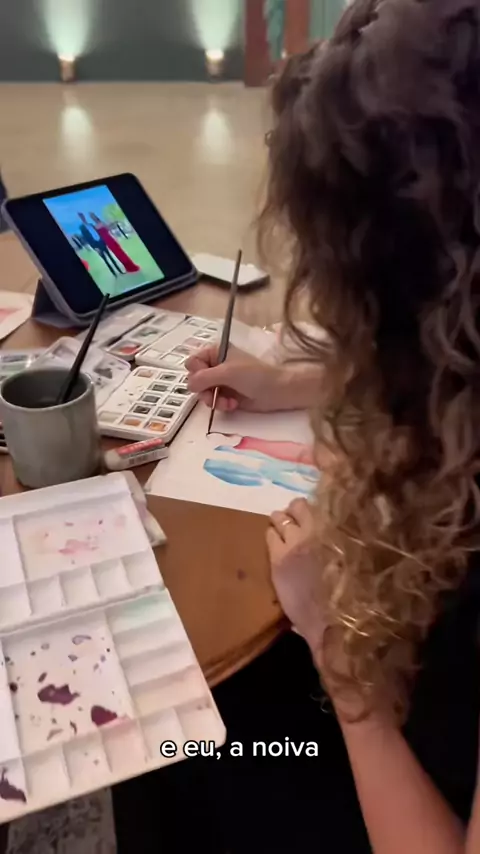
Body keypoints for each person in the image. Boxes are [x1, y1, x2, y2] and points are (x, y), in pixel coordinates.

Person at [114, 1, 480, 852]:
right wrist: (289, 381)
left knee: (171, 745)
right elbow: (448, 364)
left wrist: (334, 650)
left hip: (395, 775)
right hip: (403, 682)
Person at [77, 212, 125, 277]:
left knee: (111, 257)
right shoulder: (82, 228)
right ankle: (114, 273)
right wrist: (95, 248)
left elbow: (97, 233)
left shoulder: (91, 225)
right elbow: (87, 239)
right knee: (106, 260)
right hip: (96, 246)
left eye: (83, 216)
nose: (83, 218)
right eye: (81, 217)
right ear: (79, 218)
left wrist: (103, 241)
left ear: (84, 217)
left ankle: (119, 271)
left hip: (101, 243)